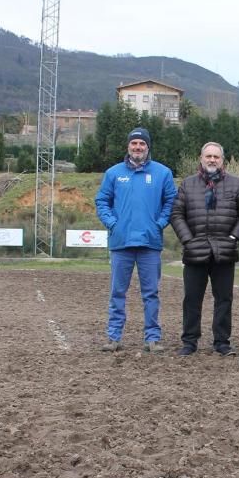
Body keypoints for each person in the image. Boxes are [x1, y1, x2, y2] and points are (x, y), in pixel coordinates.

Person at [95, 127, 177, 353]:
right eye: (134, 144)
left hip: (150, 244)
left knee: (150, 293)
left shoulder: (163, 173)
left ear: (148, 147)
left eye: (142, 144)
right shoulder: (113, 173)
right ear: (128, 147)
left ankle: (152, 338)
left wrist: (159, 223)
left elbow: (171, 202)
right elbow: (102, 201)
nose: (138, 147)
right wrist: (113, 223)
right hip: (121, 244)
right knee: (117, 292)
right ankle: (114, 337)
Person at [169, 142, 239, 357]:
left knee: (224, 299)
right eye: (208, 156)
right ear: (201, 158)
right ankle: (189, 341)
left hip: (224, 252)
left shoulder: (236, 184)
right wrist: (188, 240)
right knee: (191, 299)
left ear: (222, 160)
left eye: (216, 156)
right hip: (195, 251)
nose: (212, 160)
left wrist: (234, 237)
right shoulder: (187, 185)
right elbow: (176, 214)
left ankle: (222, 342)